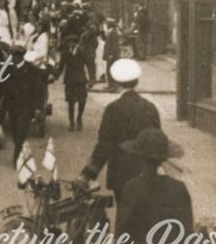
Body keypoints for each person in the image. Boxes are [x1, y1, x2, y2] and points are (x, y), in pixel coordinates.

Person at [112, 128, 193, 244]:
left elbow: (123, 238)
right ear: (164, 159)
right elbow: (188, 237)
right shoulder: (179, 189)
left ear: (138, 159)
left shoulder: (131, 189)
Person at [79, 59, 161, 205]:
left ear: (117, 82)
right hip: (146, 173)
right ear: (136, 81)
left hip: (121, 173)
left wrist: (88, 174)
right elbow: (158, 140)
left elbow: (104, 145)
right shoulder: (150, 107)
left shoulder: (113, 109)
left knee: (125, 217)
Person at [0, 45, 47, 162]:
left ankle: (17, 157)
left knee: (21, 131)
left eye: (12, 55)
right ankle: (19, 149)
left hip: (26, 107)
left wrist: (38, 107)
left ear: (20, 56)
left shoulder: (31, 70)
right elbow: (2, 86)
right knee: (14, 131)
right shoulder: (8, 69)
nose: (10, 58)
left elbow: (39, 90)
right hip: (11, 107)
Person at [61, 35, 90, 131]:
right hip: (69, 80)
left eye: (73, 42)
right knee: (71, 101)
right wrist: (54, 75)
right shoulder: (65, 53)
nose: (71, 44)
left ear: (76, 43)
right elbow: (61, 67)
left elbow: (89, 64)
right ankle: (71, 122)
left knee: (82, 101)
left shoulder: (82, 52)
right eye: (69, 43)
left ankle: (79, 118)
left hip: (81, 79)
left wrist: (92, 79)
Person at [102, 18, 121, 91]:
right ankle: (110, 85)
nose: (106, 25)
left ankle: (113, 86)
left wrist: (111, 54)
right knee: (108, 70)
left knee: (112, 70)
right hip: (111, 54)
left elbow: (114, 45)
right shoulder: (111, 32)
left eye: (107, 24)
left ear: (110, 25)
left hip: (113, 55)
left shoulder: (113, 33)